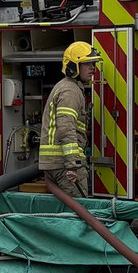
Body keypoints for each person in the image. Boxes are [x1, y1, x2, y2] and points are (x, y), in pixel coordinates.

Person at [39, 40, 100, 196]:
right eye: (87, 64)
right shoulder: (70, 91)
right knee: (77, 210)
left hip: (57, 163)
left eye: (93, 63)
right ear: (73, 67)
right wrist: (72, 165)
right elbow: (66, 127)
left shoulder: (68, 87)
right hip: (65, 165)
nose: (92, 68)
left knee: (63, 212)